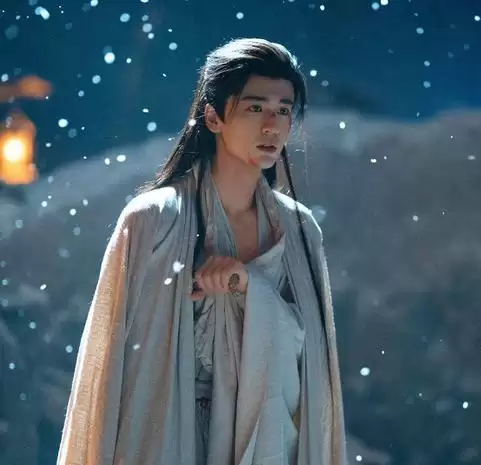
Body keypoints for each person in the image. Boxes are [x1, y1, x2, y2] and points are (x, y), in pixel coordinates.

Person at [57, 38, 347, 465]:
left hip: (267, 443)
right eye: (255, 108)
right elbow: (111, 371)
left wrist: (250, 286)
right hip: (166, 439)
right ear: (213, 117)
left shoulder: (301, 231)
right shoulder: (152, 222)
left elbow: (313, 370)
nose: (272, 126)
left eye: (283, 110)